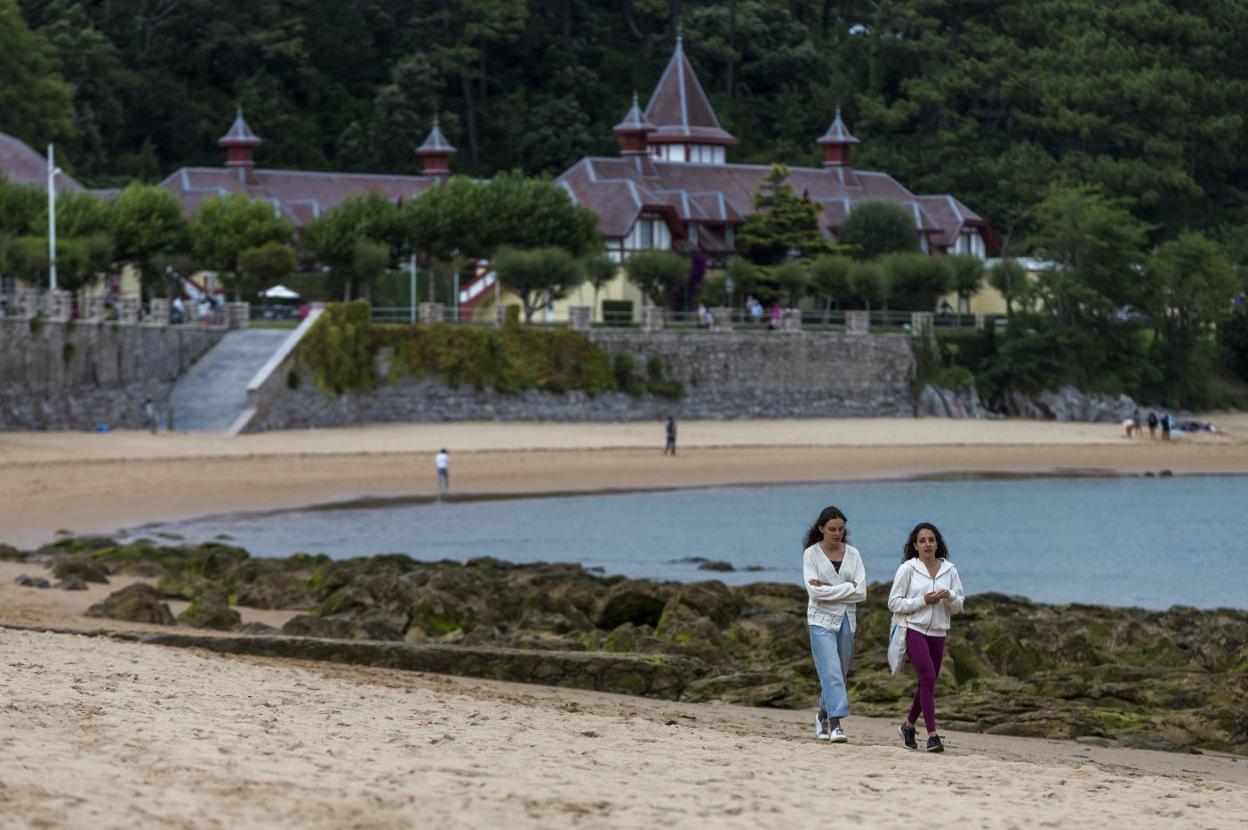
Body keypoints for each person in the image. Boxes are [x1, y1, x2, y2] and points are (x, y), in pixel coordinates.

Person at [888, 522, 965, 753]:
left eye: (931, 540)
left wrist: (949, 595)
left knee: (926, 682)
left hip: (938, 632)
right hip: (914, 629)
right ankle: (933, 736)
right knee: (928, 677)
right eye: (922, 541)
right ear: (915, 545)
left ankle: (908, 726)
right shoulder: (908, 569)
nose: (927, 544)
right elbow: (893, 603)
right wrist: (923, 600)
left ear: (937, 543)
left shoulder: (949, 570)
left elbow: (959, 606)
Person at [802, 506, 867, 743]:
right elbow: (814, 592)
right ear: (821, 529)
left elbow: (861, 594)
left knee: (839, 672)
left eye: (840, 529)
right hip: (819, 620)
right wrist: (847, 587)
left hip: (847, 620)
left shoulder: (854, 554)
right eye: (832, 529)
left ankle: (821, 714)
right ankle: (836, 724)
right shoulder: (811, 554)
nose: (837, 533)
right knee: (830, 670)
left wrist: (829, 589)